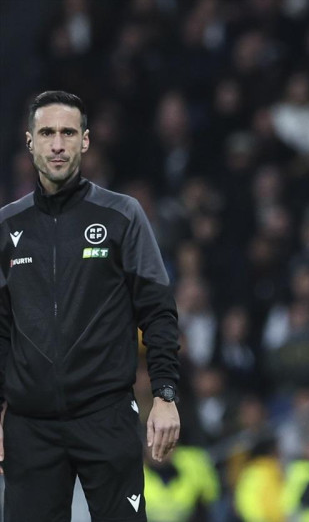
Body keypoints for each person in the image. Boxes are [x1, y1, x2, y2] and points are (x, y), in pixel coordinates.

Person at [0, 90, 182, 520]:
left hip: (107, 416)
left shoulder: (123, 215)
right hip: (30, 427)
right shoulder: (7, 226)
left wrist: (165, 394)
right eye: (47, 133)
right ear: (29, 142)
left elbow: (157, 310)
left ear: (85, 140)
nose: (57, 144)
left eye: (68, 132)